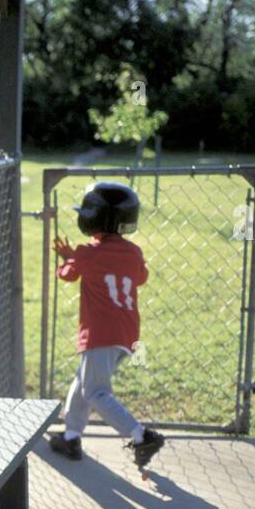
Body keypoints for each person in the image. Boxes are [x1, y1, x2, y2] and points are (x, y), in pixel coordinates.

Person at [48, 182, 165, 474]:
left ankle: (141, 437)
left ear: (93, 219)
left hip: (99, 334)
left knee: (96, 392)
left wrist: (66, 259)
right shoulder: (134, 252)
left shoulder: (88, 253)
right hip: (126, 334)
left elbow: (67, 274)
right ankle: (71, 437)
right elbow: (141, 277)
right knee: (82, 382)